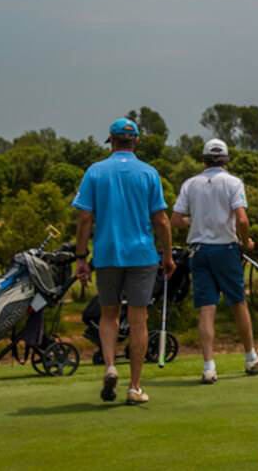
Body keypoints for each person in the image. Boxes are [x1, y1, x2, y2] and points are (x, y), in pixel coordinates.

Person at [73, 117, 175, 405]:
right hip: (142, 254)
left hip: (106, 254)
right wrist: (167, 256)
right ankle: (134, 386)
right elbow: (162, 220)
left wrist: (81, 257)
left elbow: (84, 217)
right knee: (138, 318)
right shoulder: (148, 173)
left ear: (111, 141)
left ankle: (109, 365)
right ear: (136, 142)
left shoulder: (95, 172)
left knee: (108, 314)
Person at [171, 138, 258, 384]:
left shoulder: (190, 184)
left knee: (206, 307)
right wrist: (246, 242)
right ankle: (250, 358)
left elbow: (175, 220)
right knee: (238, 303)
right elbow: (242, 220)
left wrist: (196, 222)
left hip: (199, 252)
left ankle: (208, 367)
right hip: (225, 250)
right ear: (226, 160)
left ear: (204, 159)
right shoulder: (233, 182)